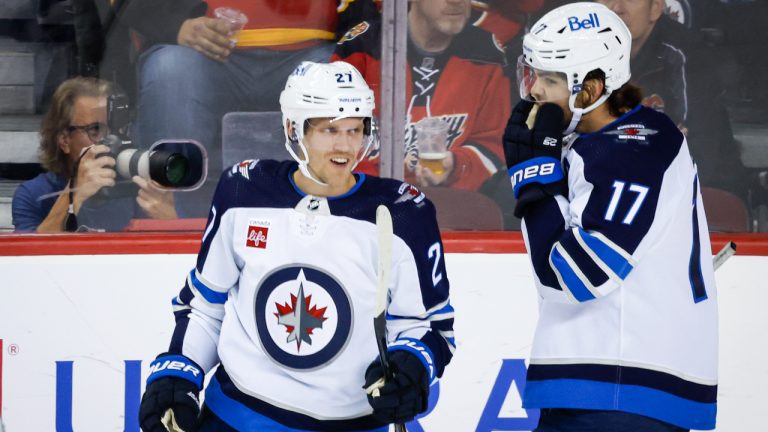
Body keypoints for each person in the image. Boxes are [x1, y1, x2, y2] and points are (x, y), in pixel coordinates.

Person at [137, 61, 455, 431]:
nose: (345, 145)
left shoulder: (400, 214)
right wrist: (178, 373)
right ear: (293, 128)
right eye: (329, 130)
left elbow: (431, 327)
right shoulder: (243, 191)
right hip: (239, 418)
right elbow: (206, 307)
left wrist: (413, 363)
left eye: (355, 130)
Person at [503, 3, 717, 431]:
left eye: (550, 79)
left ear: (591, 88)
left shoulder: (635, 146)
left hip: (624, 385)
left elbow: (579, 278)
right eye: (534, 74)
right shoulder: (593, 141)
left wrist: (533, 182)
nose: (535, 92)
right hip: (604, 381)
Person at [122, 0, 381, 217]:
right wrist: (176, 24)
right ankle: (168, 219)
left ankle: (336, 216)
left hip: (314, 51)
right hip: (203, 51)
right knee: (171, 72)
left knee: (343, 79)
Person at [332, 0, 511, 192]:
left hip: (448, 202)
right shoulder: (361, 47)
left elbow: (491, 145)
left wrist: (455, 165)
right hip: (367, 198)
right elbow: (328, 140)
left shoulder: (486, 53)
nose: (457, 1)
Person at [594, 0, 749, 201]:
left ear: (656, 7)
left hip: (703, 194)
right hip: (619, 191)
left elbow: (696, 153)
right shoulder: (577, 52)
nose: (615, 7)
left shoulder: (687, 55)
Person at [11, 77, 177, 233]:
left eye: (119, 129)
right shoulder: (35, 194)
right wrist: (72, 194)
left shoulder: (138, 186)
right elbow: (32, 257)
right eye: (96, 130)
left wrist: (171, 219)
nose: (113, 140)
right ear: (64, 140)